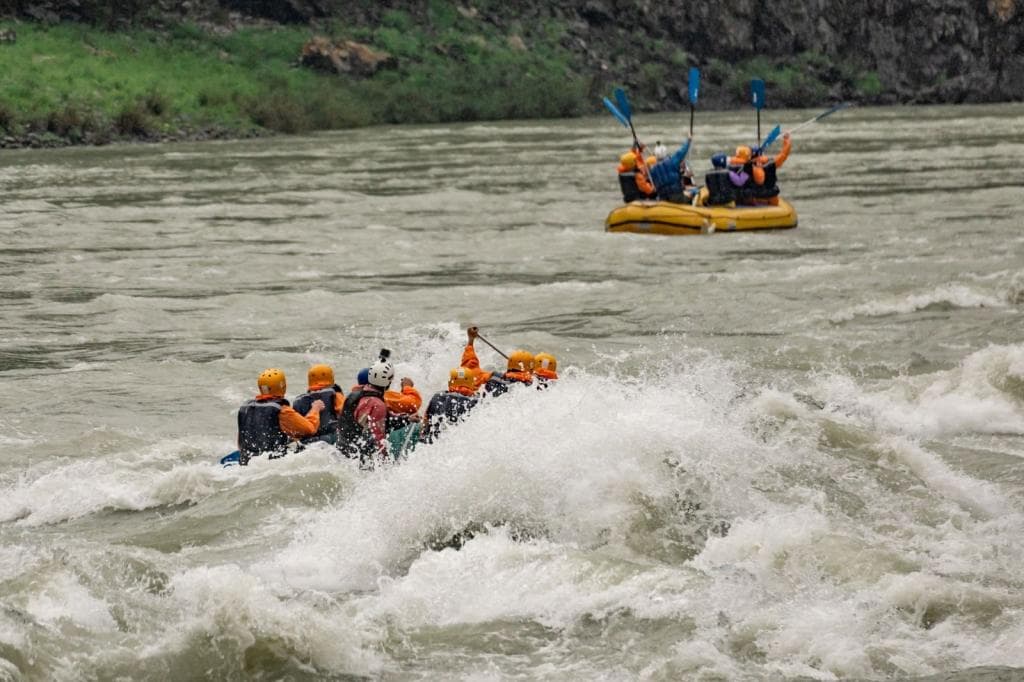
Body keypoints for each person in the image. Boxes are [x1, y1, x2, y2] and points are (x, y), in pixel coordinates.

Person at [236, 368, 323, 466]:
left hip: (246, 460)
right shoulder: (282, 410)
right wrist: (315, 409)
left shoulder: (245, 408)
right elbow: (310, 429)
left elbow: (240, 443)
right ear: (282, 386)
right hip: (273, 462)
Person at [337, 352, 393, 467]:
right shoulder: (378, 405)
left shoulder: (352, 395)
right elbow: (378, 437)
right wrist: (386, 462)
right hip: (359, 457)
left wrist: (406, 418)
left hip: (342, 449)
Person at [420, 367, 480, 444]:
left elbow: (426, 420)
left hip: (434, 441)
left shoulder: (438, 396)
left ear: (451, 381)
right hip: (459, 443)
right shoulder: (475, 401)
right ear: (471, 383)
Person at [292, 364, 344, 446]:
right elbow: (345, 413)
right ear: (331, 378)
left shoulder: (298, 401)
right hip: (331, 439)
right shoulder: (337, 395)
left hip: (309, 441)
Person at [748, 132, 792, 205]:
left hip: (754, 196)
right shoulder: (772, 163)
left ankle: (756, 201)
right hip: (769, 195)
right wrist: (787, 140)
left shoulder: (745, 165)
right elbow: (783, 154)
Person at [385, 376, 423, 459]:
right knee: (416, 424)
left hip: (368, 442)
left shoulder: (356, 397)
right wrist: (407, 387)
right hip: (384, 441)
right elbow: (412, 404)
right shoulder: (382, 397)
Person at [648, 136, 693, 203]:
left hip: (663, 198)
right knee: (694, 193)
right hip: (677, 197)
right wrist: (688, 140)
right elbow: (681, 152)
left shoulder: (652, 170)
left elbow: (655, 185)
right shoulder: (672, 162)